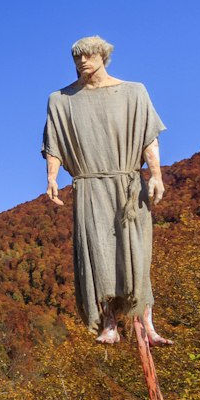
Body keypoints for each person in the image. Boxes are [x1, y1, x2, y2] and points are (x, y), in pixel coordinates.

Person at [43, 35, 171, 345]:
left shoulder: (133, 92)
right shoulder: (61, 99)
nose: (82, 61)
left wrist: (156, 174)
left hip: (128, 183)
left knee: (137, 252)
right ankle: (109, 323)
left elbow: (148, 138)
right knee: (98, 252)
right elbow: (53, 144)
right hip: (89, 186)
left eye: (88, 55)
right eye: (77, 57)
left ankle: (147, 324)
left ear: (103, 56)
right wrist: (51, 178)